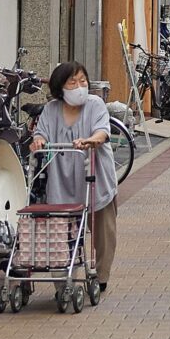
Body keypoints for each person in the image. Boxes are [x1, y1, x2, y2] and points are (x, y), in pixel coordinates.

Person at [33, 61, 119, 297]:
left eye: (83, 81)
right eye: (73, 82)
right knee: (60, 230)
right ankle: (62, 280)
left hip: (94, 175)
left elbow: (102, 130)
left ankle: (100, 276)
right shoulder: (51, 110)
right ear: (60, 87)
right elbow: (40, 132)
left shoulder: (95, 104)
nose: (79, 86)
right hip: (61, 177)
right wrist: (39, 140)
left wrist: (92, 140)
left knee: (103, 231)